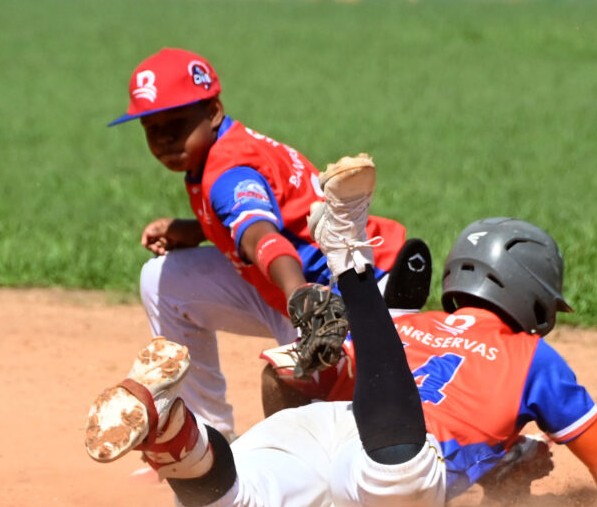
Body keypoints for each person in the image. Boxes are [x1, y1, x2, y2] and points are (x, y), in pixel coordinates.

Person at [84, 155, 597, 507]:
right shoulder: (530, 355)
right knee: (395, 476)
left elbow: (282, 386)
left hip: (324, 427)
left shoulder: (414, 326)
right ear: (536, 299)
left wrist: (503, 465)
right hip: (393, 462)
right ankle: (351, 259)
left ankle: (175, 428)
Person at [108, 48, 430, 440]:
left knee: (347, 426)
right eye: (150, 128)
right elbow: (264, 217)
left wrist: (300, 296)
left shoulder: (228, 170)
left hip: (357, 293)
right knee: (165, 279)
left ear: (212, 112)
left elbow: (260, 233)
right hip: (307, 283)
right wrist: (195, 229)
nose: (163, 140)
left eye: (175, 124)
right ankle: (207, 439)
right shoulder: (223, 146)